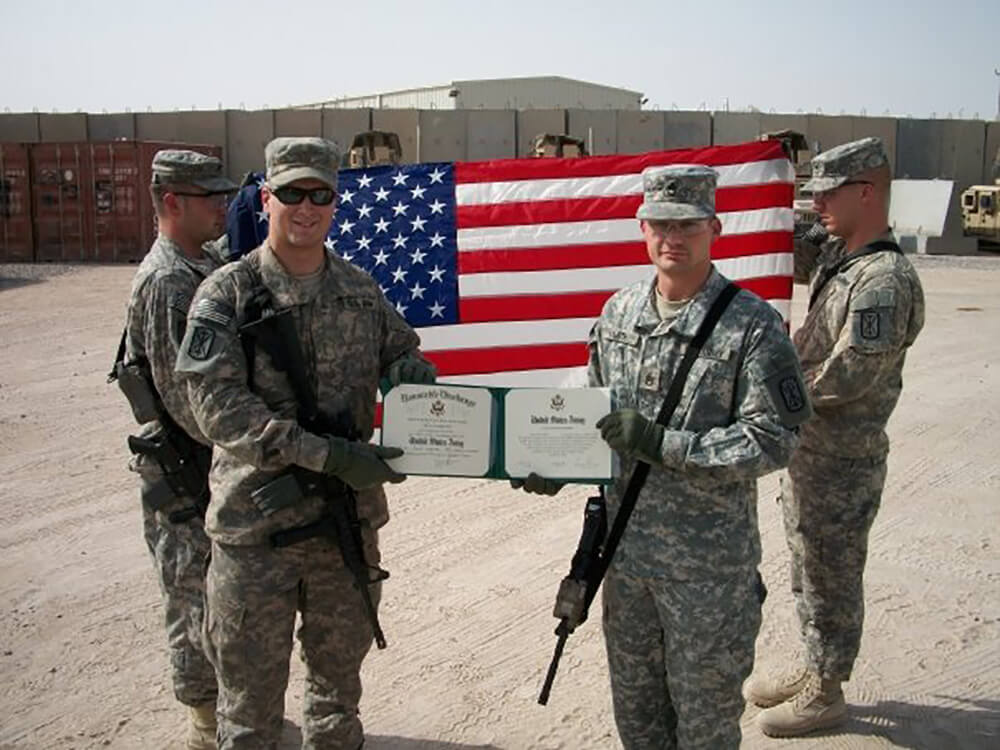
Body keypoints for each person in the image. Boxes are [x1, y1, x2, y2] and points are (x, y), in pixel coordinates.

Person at [515, 164, 811, 749]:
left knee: (704, 729)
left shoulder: (753, 326)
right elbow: (589, 407)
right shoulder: (620, 313)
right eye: (659, 223)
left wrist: (661, 444)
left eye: (688, 224)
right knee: (640, 724)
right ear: (642, 227)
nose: (672, 236)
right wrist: (553, 460)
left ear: (714, 228)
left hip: (707, 576)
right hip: (626, 566)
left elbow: (775, 438)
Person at [175, 136, 435, 749]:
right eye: (292, 193)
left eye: (321, 194)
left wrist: (410, 371)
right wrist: (326, 455)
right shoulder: (226, 294)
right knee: (248, 716)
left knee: (337, 704)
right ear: (266, 198)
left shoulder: (359, 289)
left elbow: (399, 348)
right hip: (256, 536)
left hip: (342, 529)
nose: (306, 207)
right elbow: (215, 408)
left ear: (336, 204)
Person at [746, 137, 925, 737]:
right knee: (805, 565)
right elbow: (776, 239)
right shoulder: (839, 252)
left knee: (831, 571)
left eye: (827, 192)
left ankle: (827, 690)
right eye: (810, 190)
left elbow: (850, 373)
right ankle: (814, 661)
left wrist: (768, 394)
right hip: (810, 450)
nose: (815, 202)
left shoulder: (882, 279)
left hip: (842, 459)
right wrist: (751, 188)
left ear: (867, 193)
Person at [114, 150, 237, 749]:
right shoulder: (167, 282)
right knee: (193, 599)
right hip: (187, 473)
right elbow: (187, 403)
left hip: (207, 469)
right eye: (209, 196)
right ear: (170, 203)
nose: (223, 204)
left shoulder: (202, 263)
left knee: (220, 594)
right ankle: (204, 722)